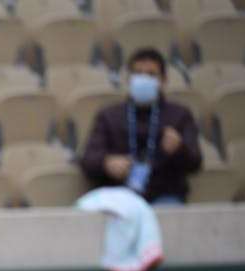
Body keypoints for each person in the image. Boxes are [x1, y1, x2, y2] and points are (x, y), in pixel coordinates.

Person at [80, 47, 202, 205]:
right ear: (129, 79)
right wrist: (106, 162)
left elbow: (195, 163)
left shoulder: (179, 115)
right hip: (120, 195)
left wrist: (179, 149)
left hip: (164, 195)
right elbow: (88, 159)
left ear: (163, 80)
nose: (144, 78)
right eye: (138, 73)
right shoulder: (109, 116)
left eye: (151, 75)